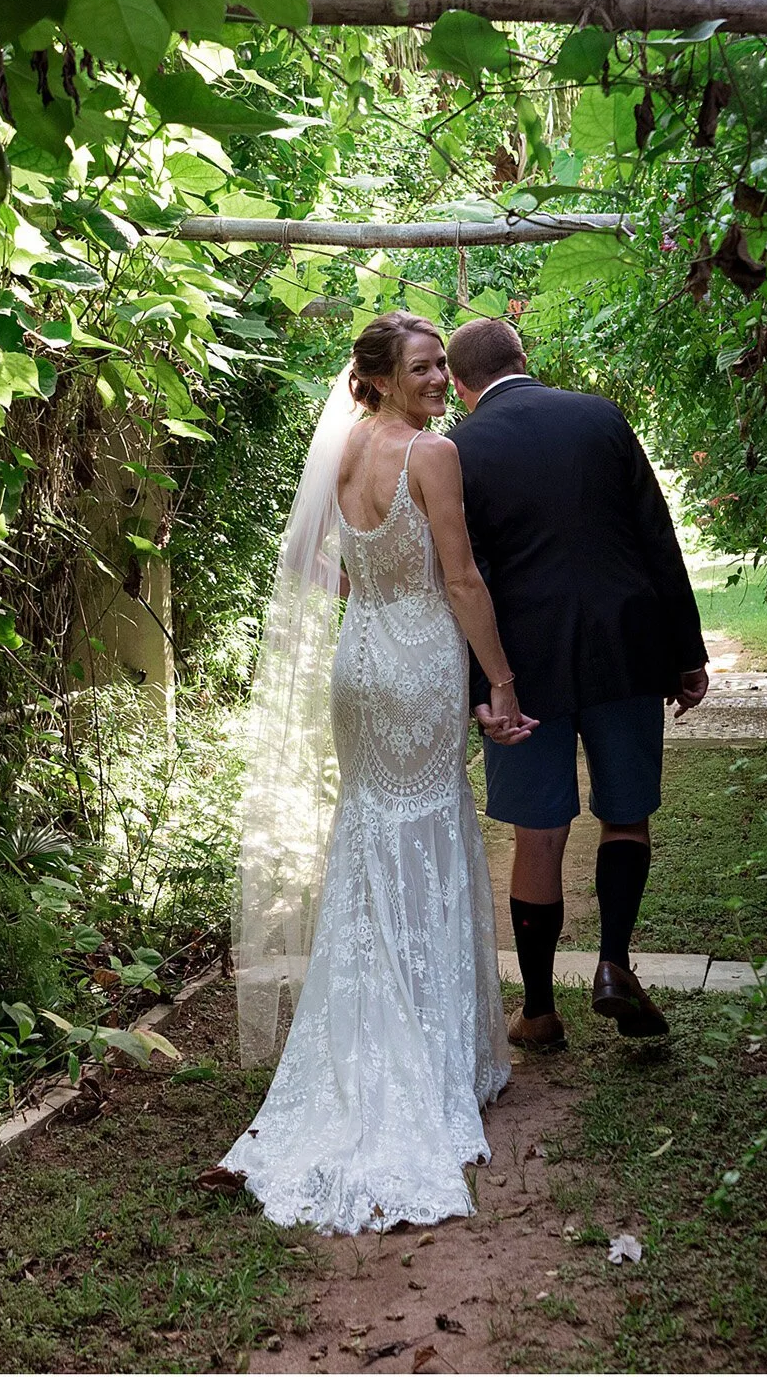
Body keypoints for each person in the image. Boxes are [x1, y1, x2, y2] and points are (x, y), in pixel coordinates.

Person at [210, 312, 535, 1234]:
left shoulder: (346, 448)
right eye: (425, 368)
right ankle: (430, 1055)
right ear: (385, 377)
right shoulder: (430, 455)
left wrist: (380, 590)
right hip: (422, 662)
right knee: (429, 824)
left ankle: (366, 1039)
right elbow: (464, 581)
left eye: (442, 367)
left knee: (371, 830)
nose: (440, 380)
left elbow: (328, 567)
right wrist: (500, 682)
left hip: (359, 668)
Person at [443, 317, 709, 1053]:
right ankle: (615, 965)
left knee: (540, 831)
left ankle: (537, 1013)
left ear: (462, 388)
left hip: (522, 668)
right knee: (626, 816)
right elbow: (658, 537)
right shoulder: (601, 416)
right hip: (627, 647)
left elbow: (467, 578)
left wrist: (481, 688)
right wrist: (686, 653)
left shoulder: (457, 449)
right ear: (526, 360)